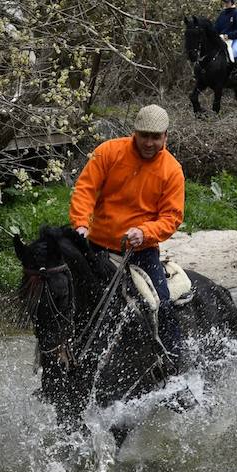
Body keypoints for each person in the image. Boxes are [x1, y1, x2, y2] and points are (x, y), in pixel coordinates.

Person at [69, 104, 186, 370]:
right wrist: (80, 225)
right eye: (144, 135)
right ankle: (56, 359)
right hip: (96, 245)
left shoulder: (172, 170)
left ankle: (175, 366)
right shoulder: (108, 151)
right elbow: (85, 190)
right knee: (63, 296)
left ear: (165, 137)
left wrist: (144, 232)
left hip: (141, 252)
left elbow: (171, 218)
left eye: (155, 137)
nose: (149, 142)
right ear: (134, 132)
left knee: (162, 304)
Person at [215, 0, 237, 81]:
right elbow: (216, 27)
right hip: (221, 39)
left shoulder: (236, 14)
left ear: (232, 3)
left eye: (227, 2)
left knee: (235, 51)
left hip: (234, 39)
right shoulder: (222, 14)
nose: (225, 4)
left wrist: (229, 36)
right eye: (225, 2)